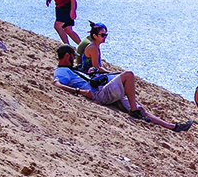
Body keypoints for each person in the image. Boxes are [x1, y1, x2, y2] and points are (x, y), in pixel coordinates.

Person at [53, 47, 188, 131]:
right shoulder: (62, 71)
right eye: (72, 56)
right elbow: (56, 84)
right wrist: (80, 92)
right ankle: (134, 111)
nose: (74, 58)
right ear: (67, 56)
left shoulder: (70, 69)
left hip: (102, 90)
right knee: (128, 75)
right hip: (99, 95)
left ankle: (172, 126)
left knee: (140, 109)